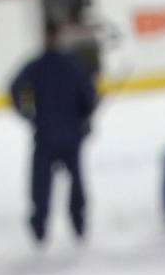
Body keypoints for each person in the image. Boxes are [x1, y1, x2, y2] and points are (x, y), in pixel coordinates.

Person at [8, 26, 99, 248]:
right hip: (54, 134)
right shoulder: (49, 65)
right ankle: (44, 226)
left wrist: (85, 116)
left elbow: (88, 94)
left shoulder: (66, 64)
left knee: (69, 183)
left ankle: (73, 225)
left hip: (61, 133)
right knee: (44, 185)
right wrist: (29, 116)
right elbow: (89, 95)